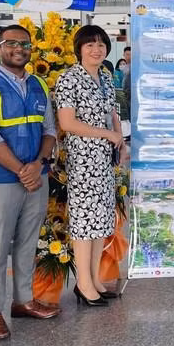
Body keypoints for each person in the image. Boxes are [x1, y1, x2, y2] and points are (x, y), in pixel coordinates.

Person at [0, 25, 59, 340]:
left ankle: (23, 301)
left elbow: (49, 130)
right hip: (1, 179)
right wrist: (24, 171)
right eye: (11, 43)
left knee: (28, 241)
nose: (19, 48)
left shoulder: (39, 85)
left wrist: (40, 164)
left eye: (24, 44)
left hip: (37, 175)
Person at [55, 25, 124, 307]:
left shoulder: (105, 76)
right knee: (85, 222)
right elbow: (67, 122)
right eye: (90, 45)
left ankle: (94, 278)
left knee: (100, 220)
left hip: (105, 159)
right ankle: (83, 283)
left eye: (101, 45)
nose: (96, 50)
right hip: (84, 160)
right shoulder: (69, 78)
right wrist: (107, 134)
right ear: (79, 49)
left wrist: (119, 136)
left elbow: (112, 111)